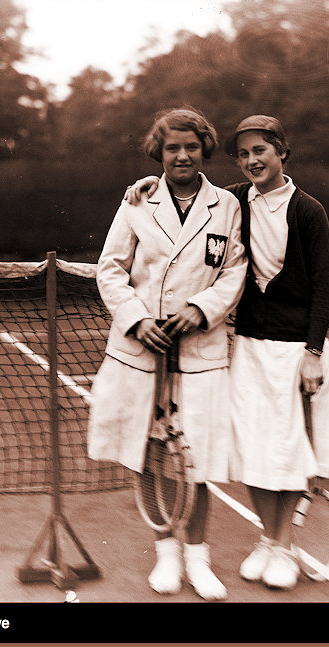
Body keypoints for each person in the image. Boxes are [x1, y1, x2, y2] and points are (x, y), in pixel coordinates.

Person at [125, 114, 329, 591]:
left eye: (261, 151)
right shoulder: (233, 203)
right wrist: (147, 182)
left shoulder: (309, 211)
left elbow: (323, 290)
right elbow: (186, 188)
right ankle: (267, 543)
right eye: (244, 153)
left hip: (297, 351)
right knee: (254, 450)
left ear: (282, 152)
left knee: (289, 450)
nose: (252, 160)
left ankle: (281, 545)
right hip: (247, 346)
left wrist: (313, 353)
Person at [88, 107, 247, 601]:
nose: (182, 155)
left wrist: (201, 311)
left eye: (191, 147)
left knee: (196, 458)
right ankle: (166, 555)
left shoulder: (227, 206)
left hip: (200, 354)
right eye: (173, 147)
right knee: (151, 451)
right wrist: (138, 320)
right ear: (159, 151)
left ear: (204, 151)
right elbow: (110, 269)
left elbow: (234, 271)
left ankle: (198, 558)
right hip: (141, 353)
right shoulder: (137, 202)